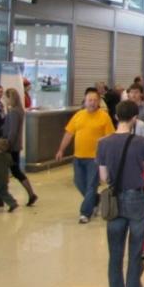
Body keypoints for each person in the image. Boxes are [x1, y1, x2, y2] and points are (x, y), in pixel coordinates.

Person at [96, 100, 144, 287]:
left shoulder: (103, 143)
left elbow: (103, 177)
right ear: (135, 119)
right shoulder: (141, 143)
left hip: (114, 200)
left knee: (115, 254)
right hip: (136, 198)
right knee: (135, 251)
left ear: (115, 116)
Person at [54, 88, 115, 222]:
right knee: (79, 182)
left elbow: (111, 136)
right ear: (85, 101)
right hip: (78, 157)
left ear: (98, 102)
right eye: (89, 100)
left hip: (95, 158)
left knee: (91, 185)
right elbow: (69, 133)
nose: (92, 103)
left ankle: (85, 213)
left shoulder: (104, 116)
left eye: (95, 100)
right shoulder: (78, 115)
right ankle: (96, 199)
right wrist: (61, 150)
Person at [1, 88, 37, 206]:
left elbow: (12, 131)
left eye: (5, 97)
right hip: (14, 145)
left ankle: (31, 194)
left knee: (15, 171)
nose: (4, 99)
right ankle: (30, 194)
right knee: (15, 171)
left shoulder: (14, 112)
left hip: (11, 146)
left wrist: (7, 144)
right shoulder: (18, 110)